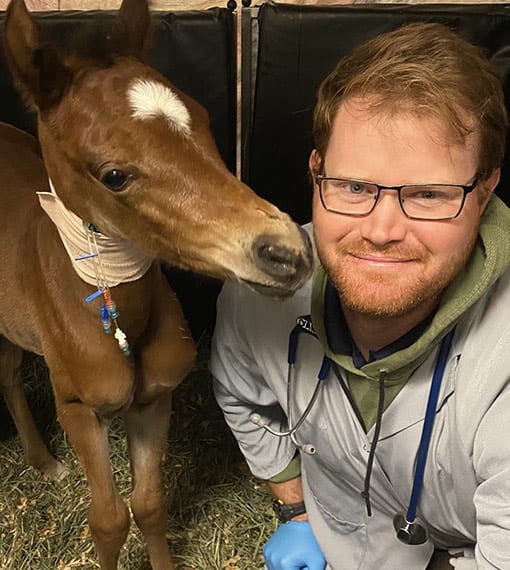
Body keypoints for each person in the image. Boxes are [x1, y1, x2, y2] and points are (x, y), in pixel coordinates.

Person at [210, 21, 510, 570]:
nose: (380, 229)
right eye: (354, 187)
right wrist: (294, 510)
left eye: (427, 193)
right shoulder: (262, 292)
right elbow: (240, 391)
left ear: (485, 189)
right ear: (316, 173)